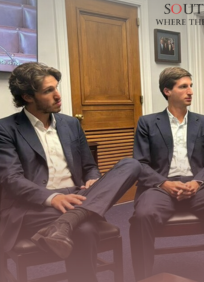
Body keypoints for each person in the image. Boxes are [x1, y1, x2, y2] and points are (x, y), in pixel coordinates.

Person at [0, 62, 141, 282]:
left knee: (131, 164)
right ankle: (72, 223)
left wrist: (93, 178)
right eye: (48, 91)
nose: (58, 95)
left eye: (56, 87)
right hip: (34, 206)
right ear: (27, 96)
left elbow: (88, 165)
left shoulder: (71, 124)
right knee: (84, 229)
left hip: (77, 196)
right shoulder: (6, 129)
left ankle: (66, 222)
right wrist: (52, 197)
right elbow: (12, 179)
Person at [129, 67, 204, 282]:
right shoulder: (147, 123)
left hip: (198, 185)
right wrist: (165, 184)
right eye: (183, 87)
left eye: (191, 86)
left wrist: (197, 182)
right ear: (167, 91)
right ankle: (142, 277)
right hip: (160, 187)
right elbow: (140, 164)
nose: (190, 91)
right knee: (142, 217)